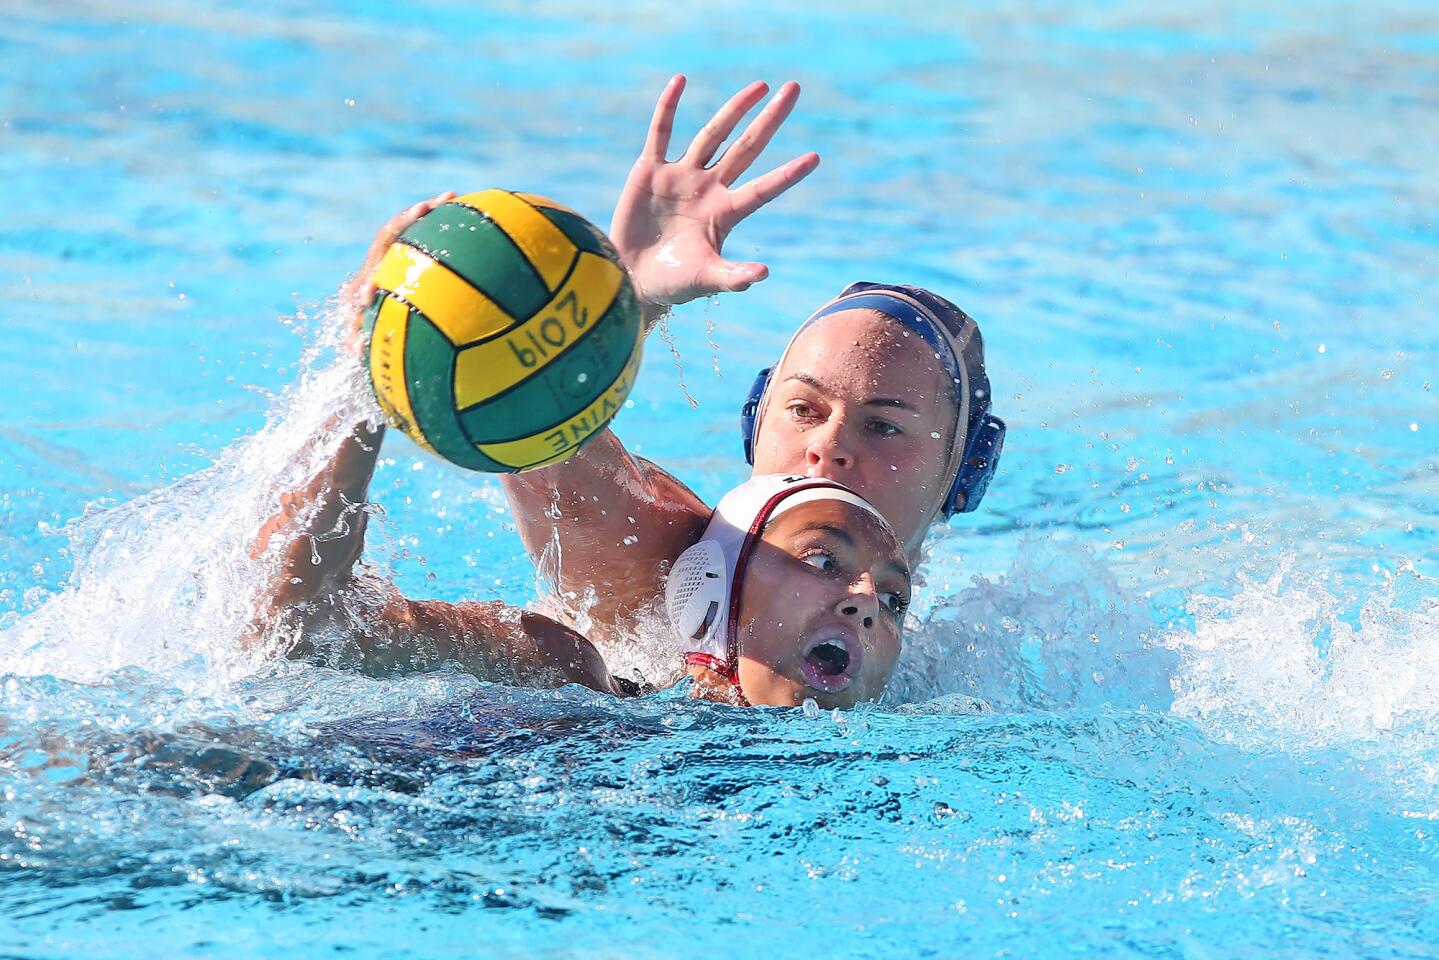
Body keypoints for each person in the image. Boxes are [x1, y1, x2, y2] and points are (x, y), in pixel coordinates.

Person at [499, 77, 1004, 649]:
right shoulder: (657, 573)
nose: (828, 446)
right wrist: (627, 307)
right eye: (803, 409)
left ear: (965, 473)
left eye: (883, 424)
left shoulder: (976, 664)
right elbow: (523, 410)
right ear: (755, 422)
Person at [252, 470, 909, 710]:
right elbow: (305, 627)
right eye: (822, 560)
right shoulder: (565, 672)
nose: (864, 601)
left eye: (893, 598)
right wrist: (363, 407)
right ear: (714, 591)